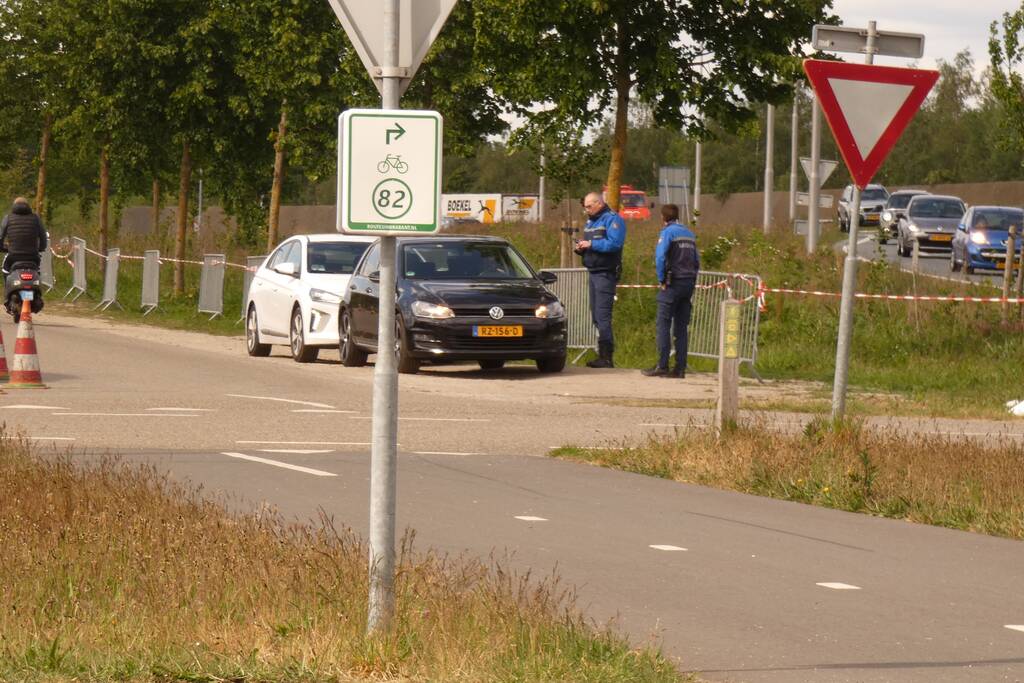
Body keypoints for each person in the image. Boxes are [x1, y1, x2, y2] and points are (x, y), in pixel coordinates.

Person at [642, 203, 699, 378]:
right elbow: (697, 261)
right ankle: (680, 368)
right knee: (681, 328)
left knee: (663, 324)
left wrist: (661, 279)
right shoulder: (689, 234)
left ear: (663, 217)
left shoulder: (667, 232)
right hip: (688, 283)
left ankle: (662, 365)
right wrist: (692, 279)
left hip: (672, 283)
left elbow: (660, 257)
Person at [576, 191, 626, 368]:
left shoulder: (612, 219)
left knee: (603, 316)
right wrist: (582, 247)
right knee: (596, 316)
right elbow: (592, 244)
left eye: (589, 206)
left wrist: (592, 244)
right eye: (585, 207)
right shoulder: (591, 221)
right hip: (593, 271)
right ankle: (601, 354)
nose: (587, 210)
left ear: (599, 203)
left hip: (605, 273)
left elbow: (614, 244)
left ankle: (607, 357)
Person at [0, 197, 48, 273]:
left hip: (13, 256)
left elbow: (1, 237)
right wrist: (41, 248)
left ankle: (7, 284)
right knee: (38, 271)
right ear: (28, 206)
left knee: (5, 270)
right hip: (33, 256)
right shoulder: (36, 218)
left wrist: (3, 248)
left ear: (14, 206)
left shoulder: (8, 218)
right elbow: (43, 237)